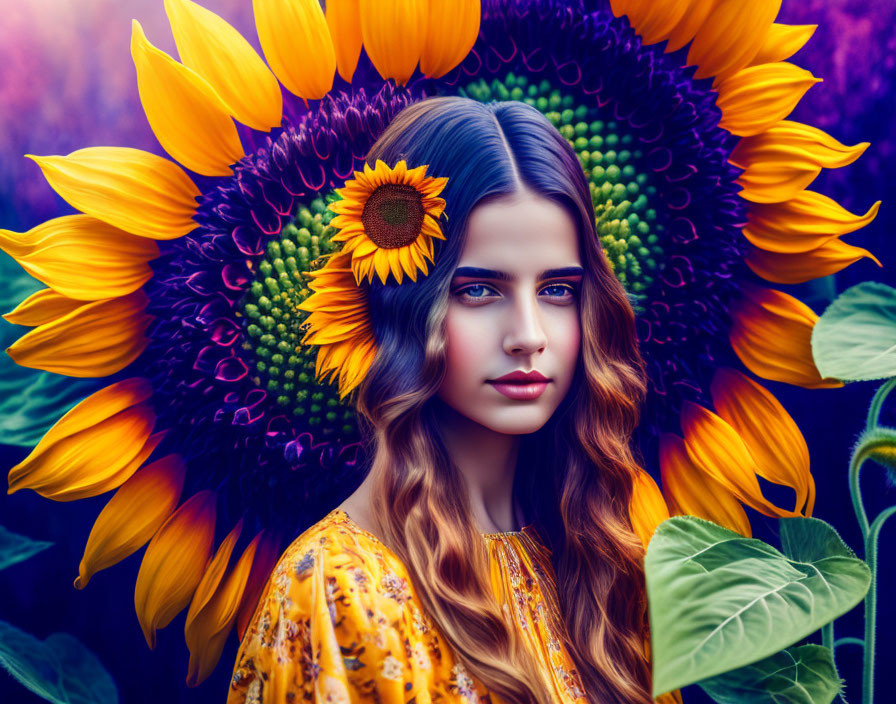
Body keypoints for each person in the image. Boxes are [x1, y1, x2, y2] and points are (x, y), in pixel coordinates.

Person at [227, 96, 664, 704]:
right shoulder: (338, 589)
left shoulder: (605, 558)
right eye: (480, 290)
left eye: (559, 289)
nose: (529, 335)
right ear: (400, 304)